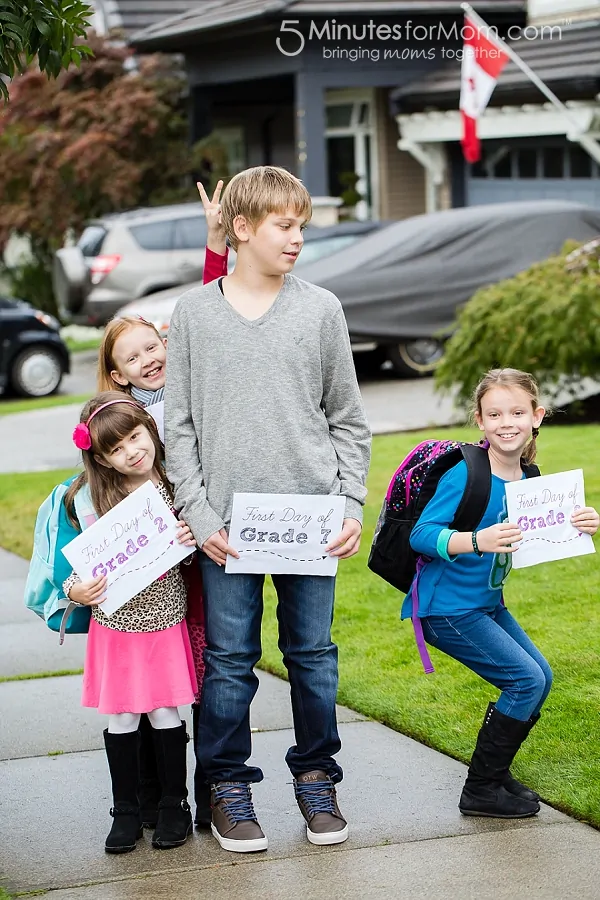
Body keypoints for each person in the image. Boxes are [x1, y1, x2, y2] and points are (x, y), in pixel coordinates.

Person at [164, 165, 372, 853]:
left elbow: (348, 420)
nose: (298, 239)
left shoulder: (321, 309)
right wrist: (201, 517)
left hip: (311, 523)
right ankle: (228, 787)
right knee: (229, 659)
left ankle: (317, 778)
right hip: (227, 529)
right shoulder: (194, 315)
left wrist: (348, 503)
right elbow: (181, 427)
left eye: (302, 226)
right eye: (285, 225)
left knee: (312, 656)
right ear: (242, 228)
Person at [403, 368, 599, 819]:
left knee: (541, 677)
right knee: (525, 680)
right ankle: (481, 789)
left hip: (485, 604)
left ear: (537, 416)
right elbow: (421, 534)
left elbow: (542, 530)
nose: (505, 422)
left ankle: (495, 773)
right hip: (446, 608)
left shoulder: (531, 478)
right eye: (494, 413)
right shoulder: (466, 473)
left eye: (516, 412)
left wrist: (582, 522)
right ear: (480, 420)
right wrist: (477, 540)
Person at [59, 393, 199, 853]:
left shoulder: (178, 485)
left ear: (150, 430)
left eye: (135, 437)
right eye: (116, 450)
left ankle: (173, 806)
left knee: (163, 710)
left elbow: (196, 543)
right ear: (102, 458)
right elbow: (84, 561)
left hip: (162, 616)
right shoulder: (95, 497)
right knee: (121, 715)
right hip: (115, 622)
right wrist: (72, 591)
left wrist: (190, 535)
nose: (131, 452)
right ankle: (126, 810)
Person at [96, 315, 210, 831]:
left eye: (153, 346)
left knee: (186, 686)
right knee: (133, 696)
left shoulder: (189, 392)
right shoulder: (119, 434)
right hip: (130, 599)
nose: (149, 360)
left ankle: (186, 798)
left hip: (185, 579)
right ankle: (140, 799)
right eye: (132, 357)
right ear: (118, 375)